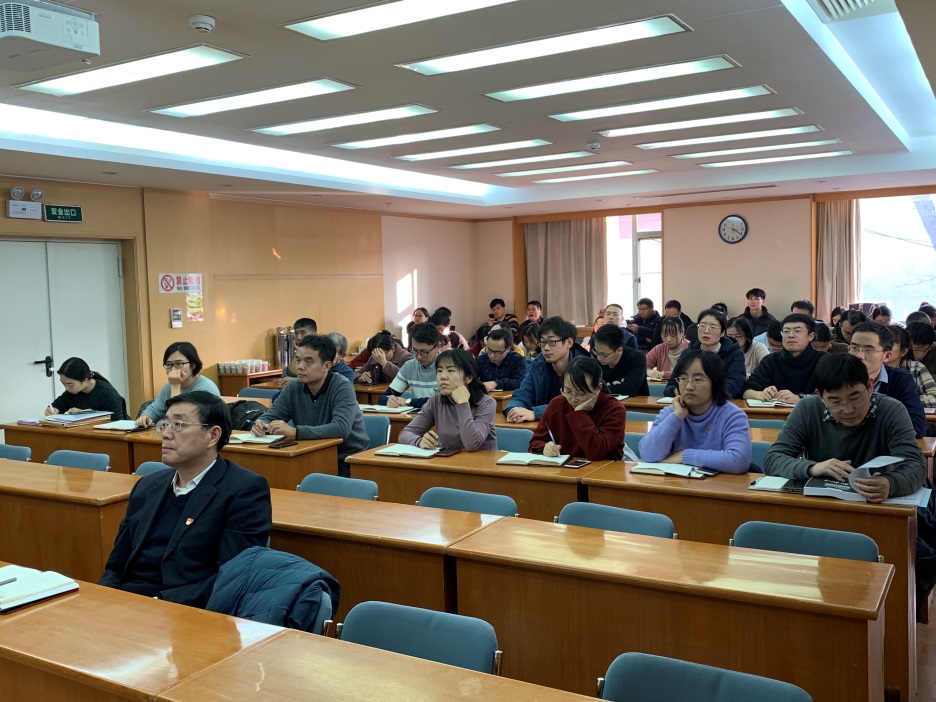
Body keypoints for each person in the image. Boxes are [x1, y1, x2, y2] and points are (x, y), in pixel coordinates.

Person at [762, 354, 932, 610]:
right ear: (820, 396)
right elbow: (774, 458)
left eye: (855, 398)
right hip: (825, 511)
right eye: (835, 402)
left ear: (870, 387)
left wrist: (890, 483)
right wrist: (812, 467)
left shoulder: (891, 410)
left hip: (881, 513)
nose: (848, 409)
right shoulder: (808, 409)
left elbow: (916, 465)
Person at [99, 391, 271, 607]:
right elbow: (116, 566)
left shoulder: (244, 490)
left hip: (184, 608)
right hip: (127, 602)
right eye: (165, 424)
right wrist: (103, 598)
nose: (166, 434)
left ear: (213, 435)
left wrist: (158, 604)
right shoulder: (147, 486)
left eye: (178, 425)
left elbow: (230, 577)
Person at [252, 335, 368, 477]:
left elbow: (341, 428)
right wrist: (261, 424)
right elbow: (270, 416)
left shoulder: (342, 386)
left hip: (346, 459)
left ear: (326, 366)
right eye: (298, 360)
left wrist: (295, 432)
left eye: (308, 361)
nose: (300, 367)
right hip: (309, 453)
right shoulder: (293, 387)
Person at [639, 350, 752, 473]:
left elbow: (739, 460)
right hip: (675, 483)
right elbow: (647, 454)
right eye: (683, 378)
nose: (689, 386)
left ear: (715, 382)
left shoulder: (732, 415)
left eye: (697, 379)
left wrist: (684, 456)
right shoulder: (670, 413)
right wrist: (677, 417)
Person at [528, 356, 627, 461]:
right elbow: (535, 442)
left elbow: (596, 452)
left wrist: (579, 414)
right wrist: (544, 448)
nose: (573, 399)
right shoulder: (557, 404)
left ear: (598, 388)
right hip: (563, 467)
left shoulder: (614, 409)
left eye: (581, 393)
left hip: (603, 469)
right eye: (568, 391)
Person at [398, 350, 497, 452]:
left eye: (450, 370)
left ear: (469, 377)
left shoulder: (486, 403)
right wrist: (419, 441)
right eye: (439, 371)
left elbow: (471, 444)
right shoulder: (436, 401)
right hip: (447, 460)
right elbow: (405, 434)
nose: (443, 377)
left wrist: (463, 404)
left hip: (481, 461)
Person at [848, 322, 926, 438]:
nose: (859, 355)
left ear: (887, 356)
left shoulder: (900, 379)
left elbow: (917, 426)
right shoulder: (836, 375)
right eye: (854, 348)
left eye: (869, 350)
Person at [504, 316, 589, 422]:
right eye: (543, 343)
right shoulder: (538, 365)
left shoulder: (585, 368)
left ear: (569, 343)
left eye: (552, 342)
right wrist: (514, 410)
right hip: (545, 425)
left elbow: (574, 404)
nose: (546, 348)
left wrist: (535, 413)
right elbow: (522, 394)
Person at [742, 314, 825, 405]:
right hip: (776, 412)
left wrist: (800, 398)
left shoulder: (824, 360)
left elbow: (833, 394)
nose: (791, 335)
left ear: (811, 336)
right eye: (786, 331)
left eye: (797, 331)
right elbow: (746, 391)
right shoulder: (770, 360)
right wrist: (760, 394)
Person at [664, 309, 745, 399]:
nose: (706, 331)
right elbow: (670, 386)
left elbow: (734, 384)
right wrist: (680, 391)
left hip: (721, 402)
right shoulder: (688, 353)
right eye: (702, 326)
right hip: (690, 401)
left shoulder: (734, 352)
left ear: (722, 332)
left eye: (713, 327)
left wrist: (703, 395)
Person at [136, 342, 220, 427]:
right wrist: (146, 416)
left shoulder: (205, 388)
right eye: (169, 364)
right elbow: (154, 410)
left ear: (193, 365)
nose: (173, 369)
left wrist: (175, 386)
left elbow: (178, 420)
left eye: (179, 364)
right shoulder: (169, 386)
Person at [380, 322, 444, 409]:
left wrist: (408, 402)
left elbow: (442, 401)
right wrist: (390, 401)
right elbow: (383, 397)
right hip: (419, 416)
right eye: (415, 351)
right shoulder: (410, 366)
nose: (419, 356)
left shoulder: (448, 367)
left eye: (424, 352)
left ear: (438, 347)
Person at [46, 357, 130, 420]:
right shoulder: (72, 392)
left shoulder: (108, 394)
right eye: (63, 384)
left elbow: (118, 423)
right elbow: (58, 405)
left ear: (84, 380)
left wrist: (85, 415)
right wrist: (53, 410)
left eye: (70, 384)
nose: (66, 388)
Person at [592, 323, 649, 397]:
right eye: (596, 352)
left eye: (604, 355)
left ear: (619, 350)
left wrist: (597, 391)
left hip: (634, 403)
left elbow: (630, 389)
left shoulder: (636, 358)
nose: (599, 358)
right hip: (604, 401)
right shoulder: (594, 358)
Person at [887, 324, 936, 408]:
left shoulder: (916, 368)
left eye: (890, 344)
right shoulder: (871, 367)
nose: (884, 348)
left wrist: (901, 401)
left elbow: (934, 397)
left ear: (903, 351)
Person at [279, 317, 317, 383]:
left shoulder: (320, 352)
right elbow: (286, 375)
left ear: (314, 335)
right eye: (296, 333)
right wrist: (298, 350)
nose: (298, 338)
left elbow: (319, 377)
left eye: (303, 333)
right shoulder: (300, 351)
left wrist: (295, 380)